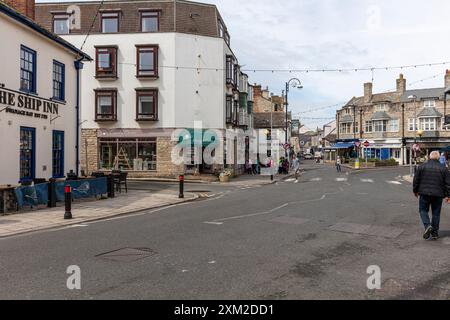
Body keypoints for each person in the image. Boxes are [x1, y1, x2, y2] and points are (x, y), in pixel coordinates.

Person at [413, 151, 450, 240]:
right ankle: (435, 233)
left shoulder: (421, 167)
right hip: (438, 194)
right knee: (436, 214)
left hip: (424, 193)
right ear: (438, 158)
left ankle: (427, 226)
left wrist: (415, 191)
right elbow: (448, 184)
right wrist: (448, 195)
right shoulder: (444, 168)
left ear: (429, 157)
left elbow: (416, 180)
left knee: (423, 210)